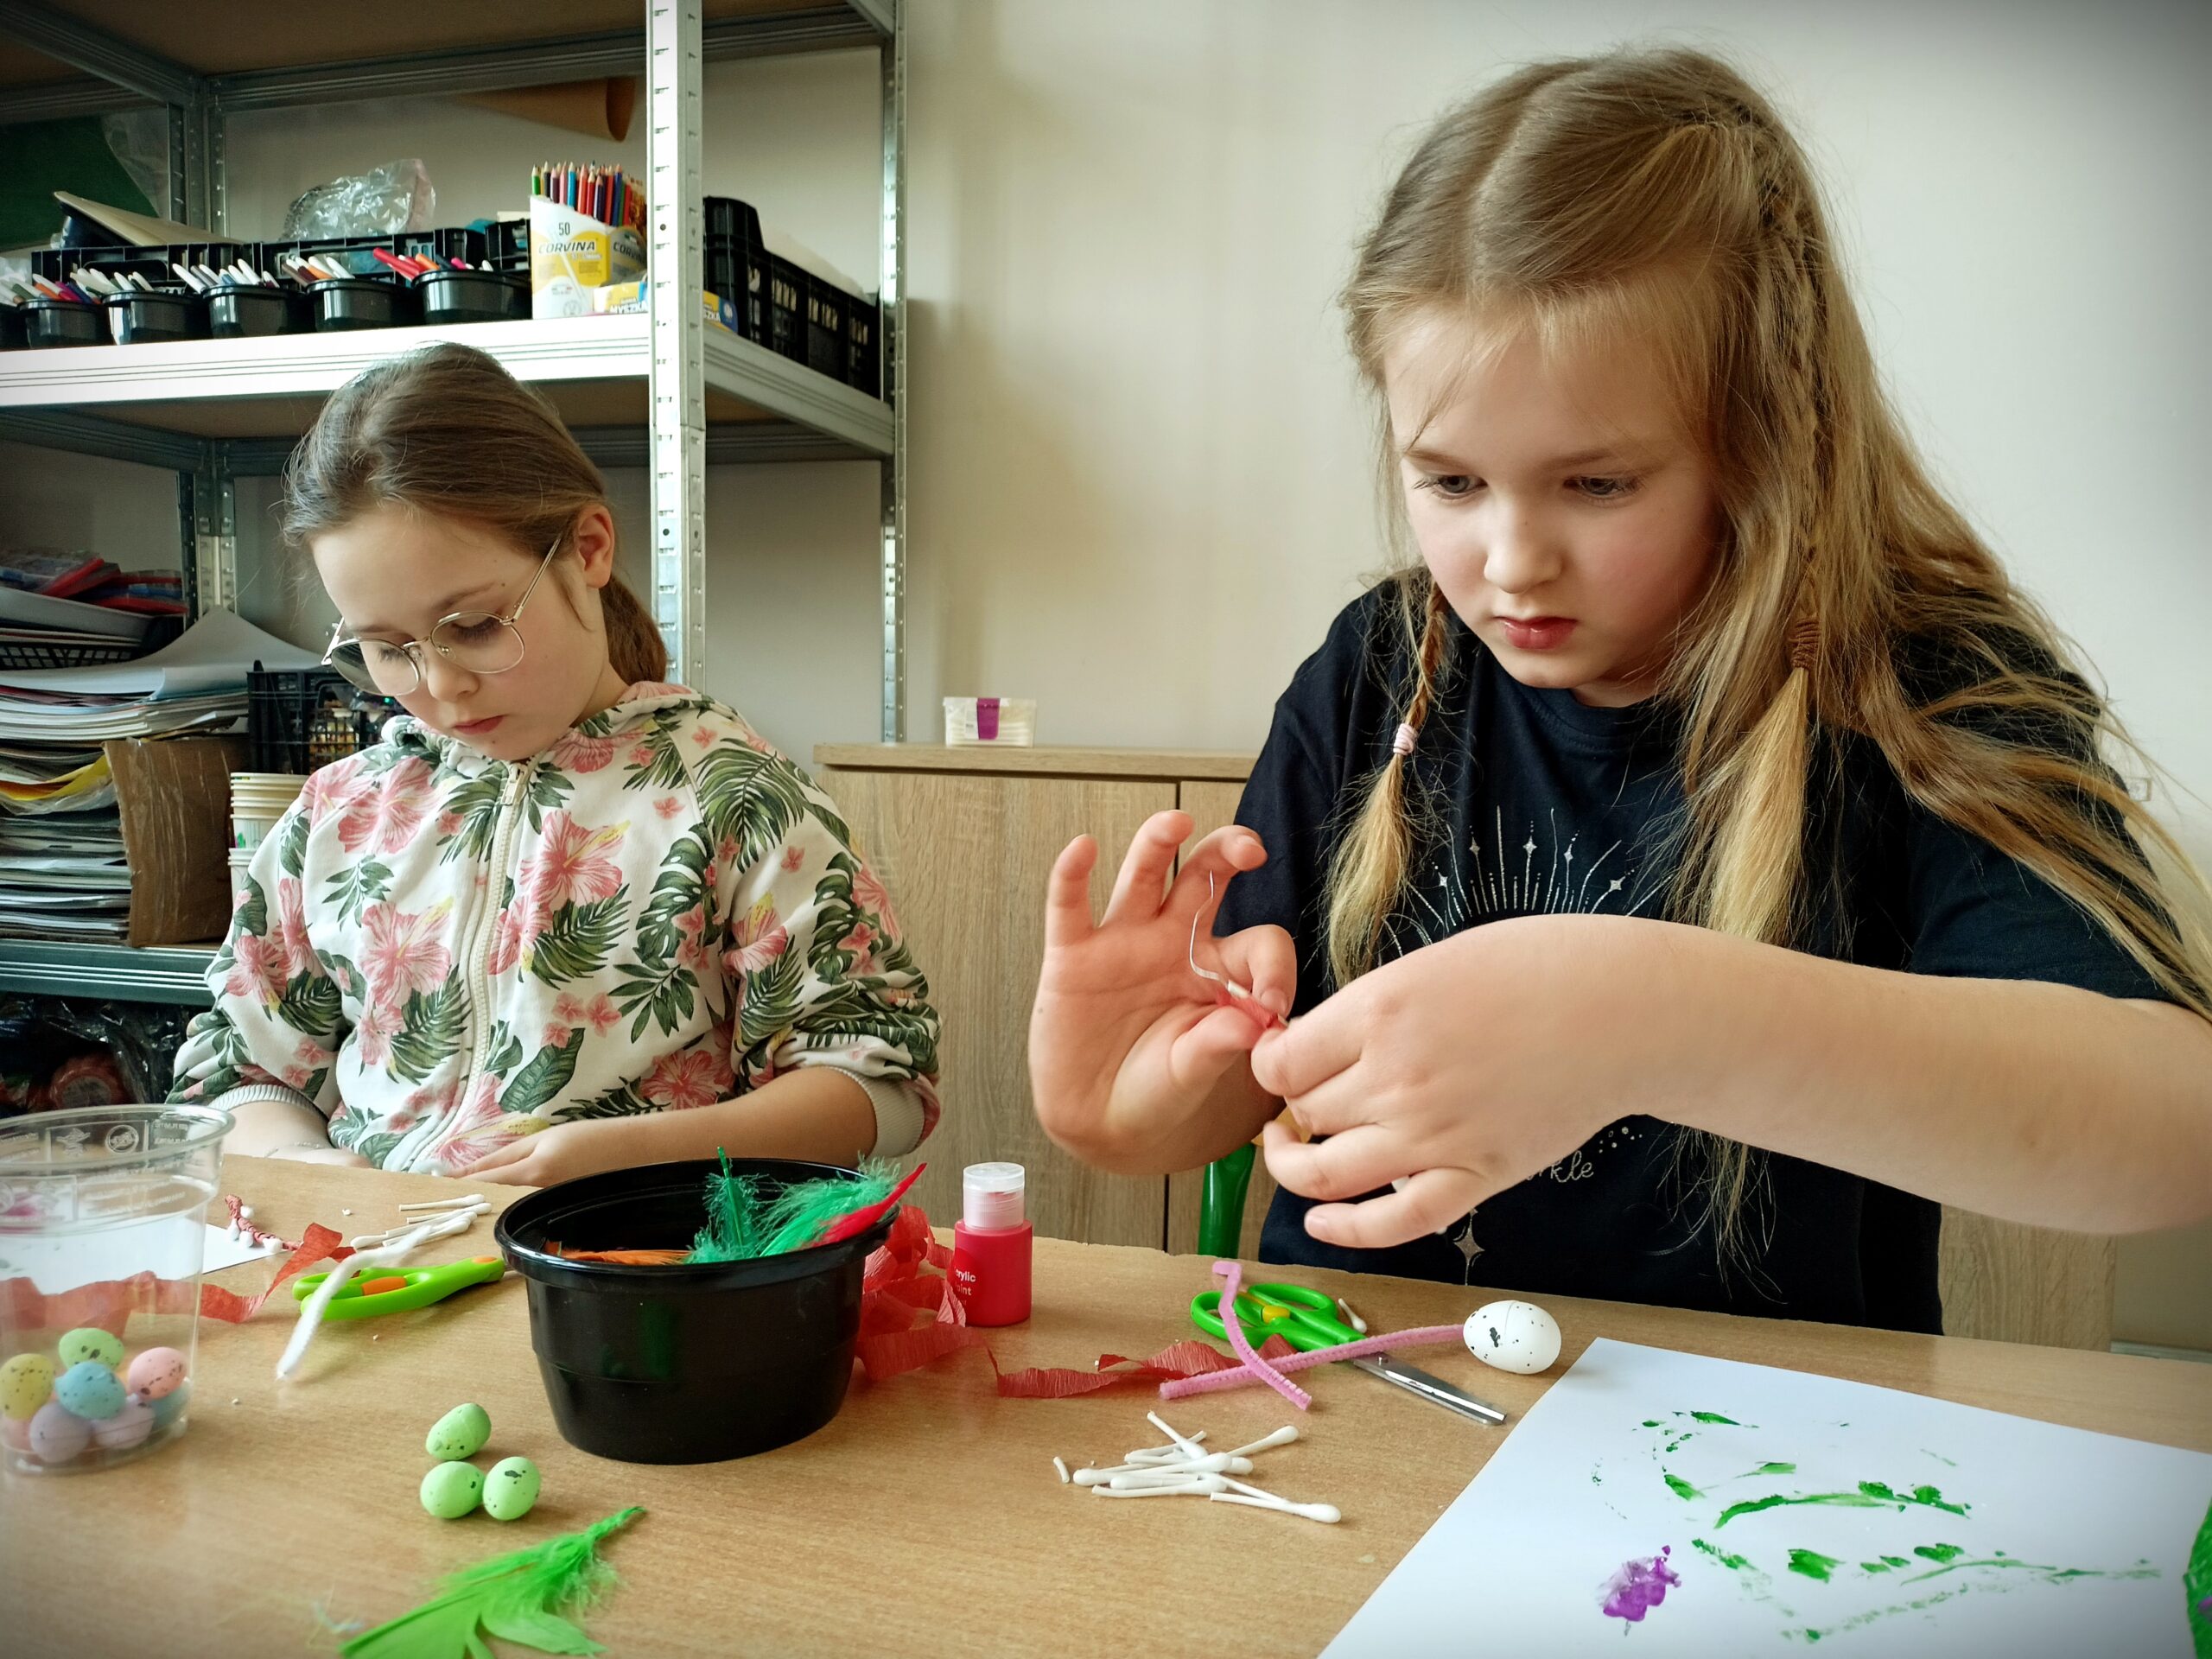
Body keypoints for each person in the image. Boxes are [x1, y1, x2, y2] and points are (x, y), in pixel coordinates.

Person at [1027, 47, 2212, 1330]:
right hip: (1362, 1395)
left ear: (1763, 442)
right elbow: (1237, 1097)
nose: (1510, 561)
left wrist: (1640, 1014)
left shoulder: (1920, 680)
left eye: (1597, 484)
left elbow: (2170, 1133)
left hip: (1757, 1435)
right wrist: (1121, 1101)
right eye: (1451, 482)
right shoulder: (1379, 668)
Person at [171, 342, 939, 1184]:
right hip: (372, 1257)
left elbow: (882, 1090)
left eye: (474, 626)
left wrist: (628, 1159)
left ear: (589, 548)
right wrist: (303, 1164)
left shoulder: (736, 801)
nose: (441, 686)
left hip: (631, 1252)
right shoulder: (340, 816)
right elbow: (240, 1073)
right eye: (386, 648)